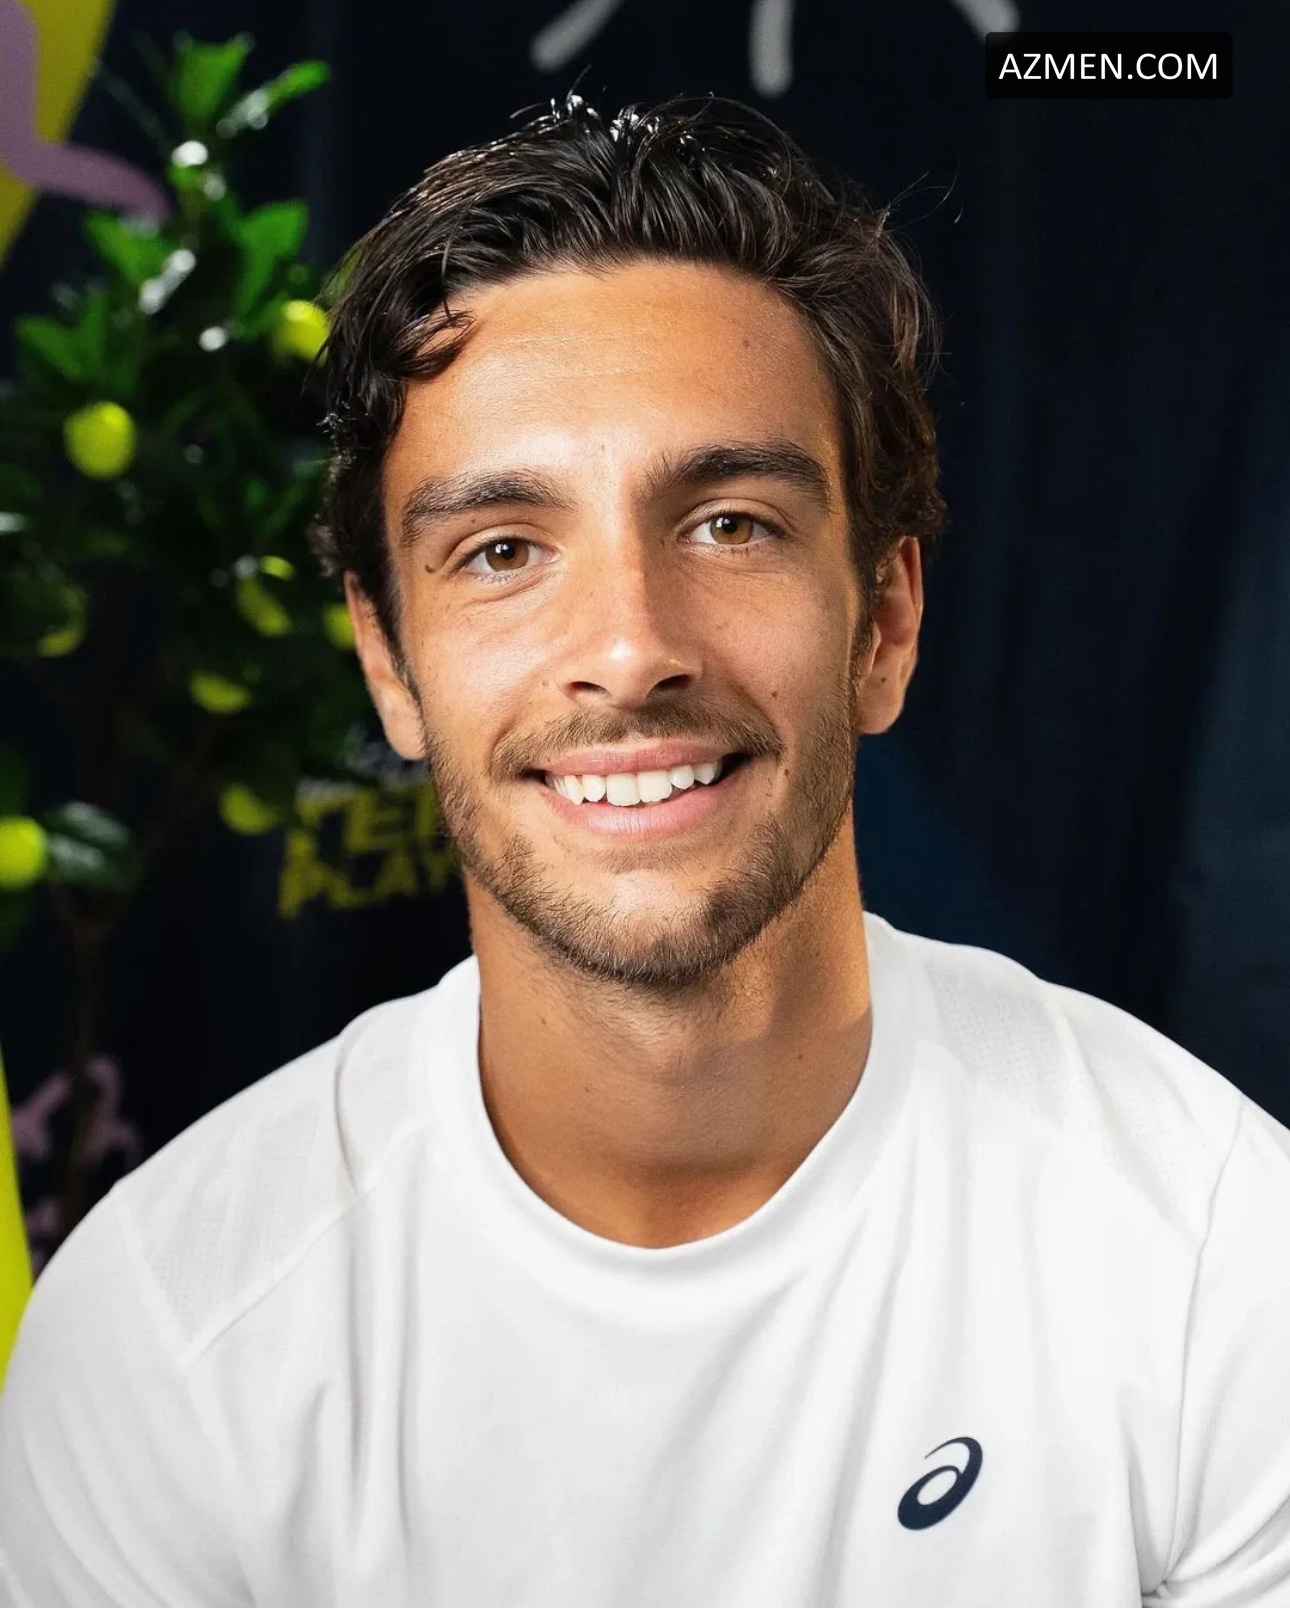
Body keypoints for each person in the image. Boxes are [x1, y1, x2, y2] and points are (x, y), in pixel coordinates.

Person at [2, 92, 1289, 1608]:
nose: (627, 649)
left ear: (883, 622)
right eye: (502, 551)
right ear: (390, 664)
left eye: (730, 523)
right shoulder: (170, 1333)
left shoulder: (1211, 1252)